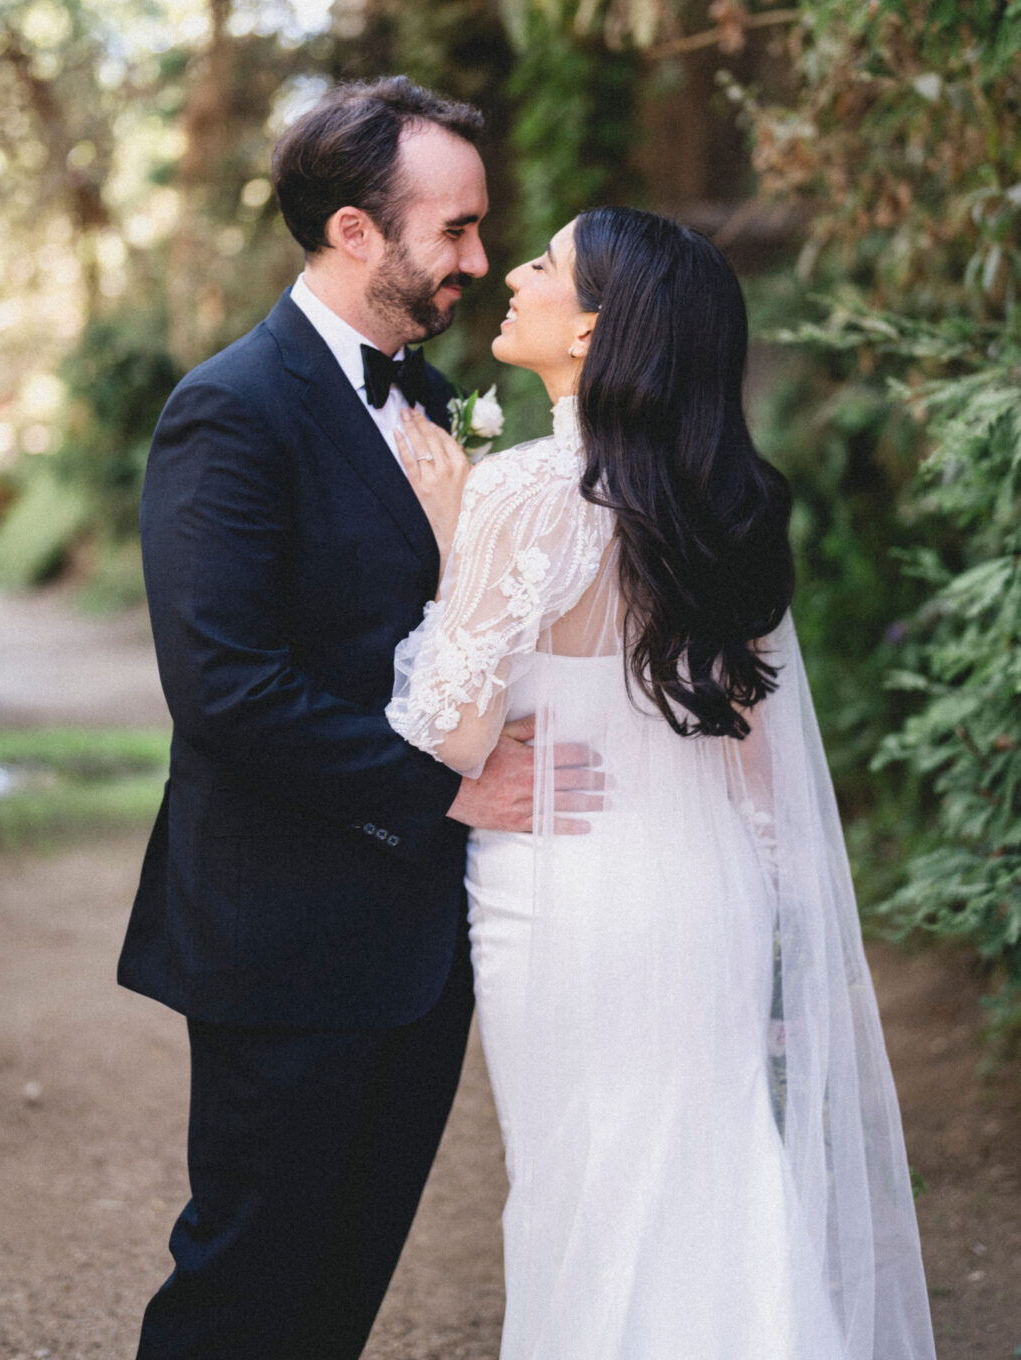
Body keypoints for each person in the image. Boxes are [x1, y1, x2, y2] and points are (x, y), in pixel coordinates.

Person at [386, 206, 938, 1360]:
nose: (520, 274)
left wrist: (454, 543)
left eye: (545, 263)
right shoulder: (721, 500)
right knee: (715, 1172)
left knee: (584, 1189)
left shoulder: (516, 494)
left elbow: (447, 728)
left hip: (569, 888)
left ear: (591, 332)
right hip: (706, 889)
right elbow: (752, 760)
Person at [117, 76, 600, 1360]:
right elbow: (223, 684)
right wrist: (445, 789)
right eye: (451, 230)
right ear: (352, 231)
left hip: (418, 941)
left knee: (344, 1279)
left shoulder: (440, 401)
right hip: (279, 931)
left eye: (479, 228)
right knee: (243, 1279)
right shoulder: (231, 409)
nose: (478, 259)